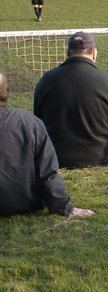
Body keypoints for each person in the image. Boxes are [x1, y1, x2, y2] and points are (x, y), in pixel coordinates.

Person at [0, 73, 94, 217]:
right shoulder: (28, 121)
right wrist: (62, 207)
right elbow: (47, 169)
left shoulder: (27, 121)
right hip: (24, 202)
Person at [34, 31, 108, 169]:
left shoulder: (47, 80)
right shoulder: (106, 81)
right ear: (94, 53)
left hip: (56, 158)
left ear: (68, 52)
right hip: (101, 158)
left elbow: (38, 119)